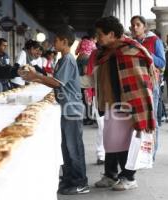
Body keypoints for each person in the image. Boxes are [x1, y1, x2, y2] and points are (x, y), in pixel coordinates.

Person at [20, 25, 89, 195]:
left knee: (74, 147)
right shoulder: (61, 59)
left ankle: (80, 182)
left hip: (72, 108)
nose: (53, 43)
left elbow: (57, 83)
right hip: (66, 108)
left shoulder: (68, 60)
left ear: (65, 42)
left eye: (56, 40)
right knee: (65, 146)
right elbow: (55, 80)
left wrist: (36, 76)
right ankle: (68, 179)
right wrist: (38, 76)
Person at [92, 16, 156, 191]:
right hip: (113, 102)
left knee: (123, 143)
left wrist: (138, 107)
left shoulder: (131, 50)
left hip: (130, 103)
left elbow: (141, 83)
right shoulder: (107, 52)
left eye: (99, 34)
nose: (97, 38)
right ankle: (111, 174)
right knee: (111, 140)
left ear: (111, 34)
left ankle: (129, 177)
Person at [130, 15, 166, 160]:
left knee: (152, 120)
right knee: (138, 120)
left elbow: (162, 63)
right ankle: (139, 152)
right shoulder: (131, 43)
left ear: (145, 26)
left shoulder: (154, 41)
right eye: (132, 25)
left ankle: (151, 154)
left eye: (138, 24)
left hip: (152, 85)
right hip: (136, 85)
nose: (135, 27)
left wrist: (146, 53)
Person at [76, 29, 97, 125]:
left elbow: (76, 52)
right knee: (87, 99)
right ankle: (88, 118)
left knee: (83, 100)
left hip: (79, 78)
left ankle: (86, 117)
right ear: (94, 38)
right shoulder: (92, 44)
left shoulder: (82, 42)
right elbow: (85, 71)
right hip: (85, 80)